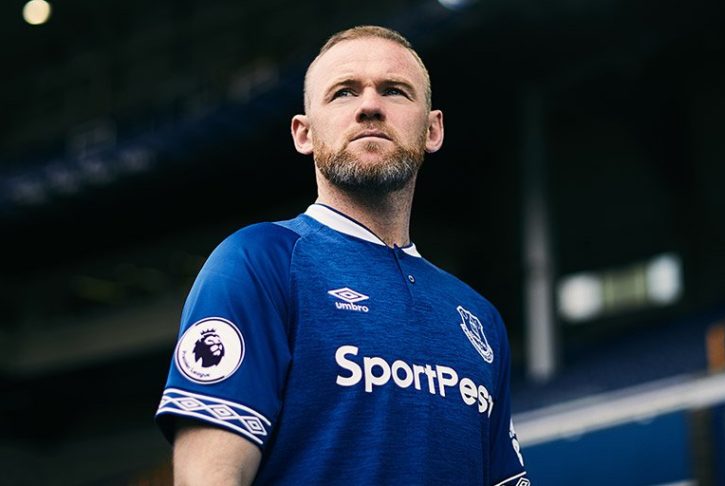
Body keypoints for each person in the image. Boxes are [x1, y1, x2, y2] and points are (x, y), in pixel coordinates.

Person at [155, 25, 529, 486]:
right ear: (304, 134)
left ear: (433, 130)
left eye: (394, 90)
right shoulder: (259, 262)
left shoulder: (479, 318)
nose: (369, 106)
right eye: (344, 92)